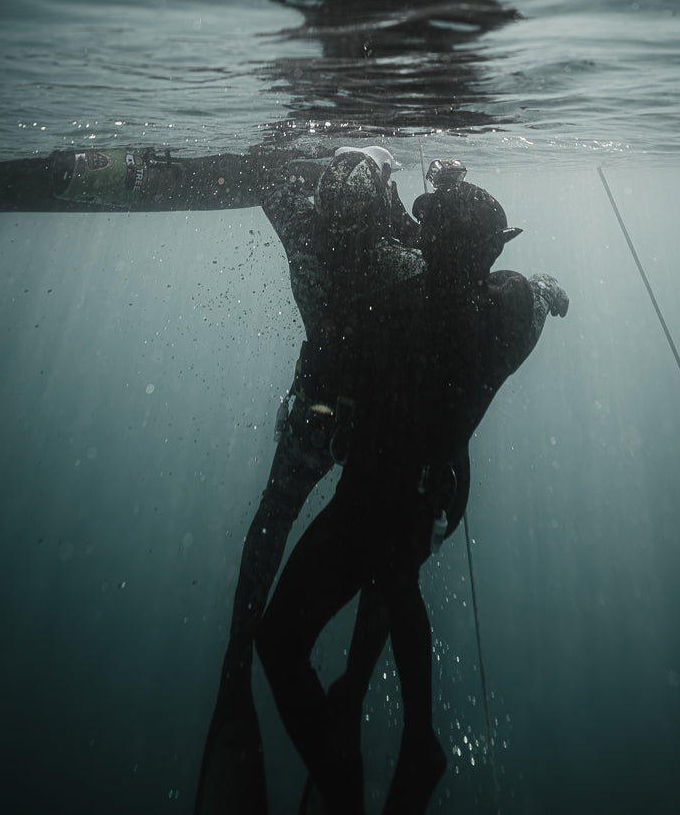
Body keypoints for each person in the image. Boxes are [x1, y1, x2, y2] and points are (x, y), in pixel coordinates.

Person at [256, 172, 569, 815]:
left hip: (365, 506)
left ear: (424, 239)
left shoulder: (388, 313)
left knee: (281, 640)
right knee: (398, 580)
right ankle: (417, 737)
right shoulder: (509, 313)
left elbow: (331, 361)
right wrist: (551, 288)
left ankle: (345, 774)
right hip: (433, 501)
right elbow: (535, 293)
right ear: (495, 250)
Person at [194, 144, 426, 815]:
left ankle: (252, 666)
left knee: (279, 519)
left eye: (361, 170)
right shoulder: (404, 250)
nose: (351, 179)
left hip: (327, 415)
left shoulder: (319, 225)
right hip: (369, 430)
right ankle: (343, 688)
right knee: (384, 551)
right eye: (347, 168)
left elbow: (273, 178)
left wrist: (294, 151)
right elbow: (464, 283)